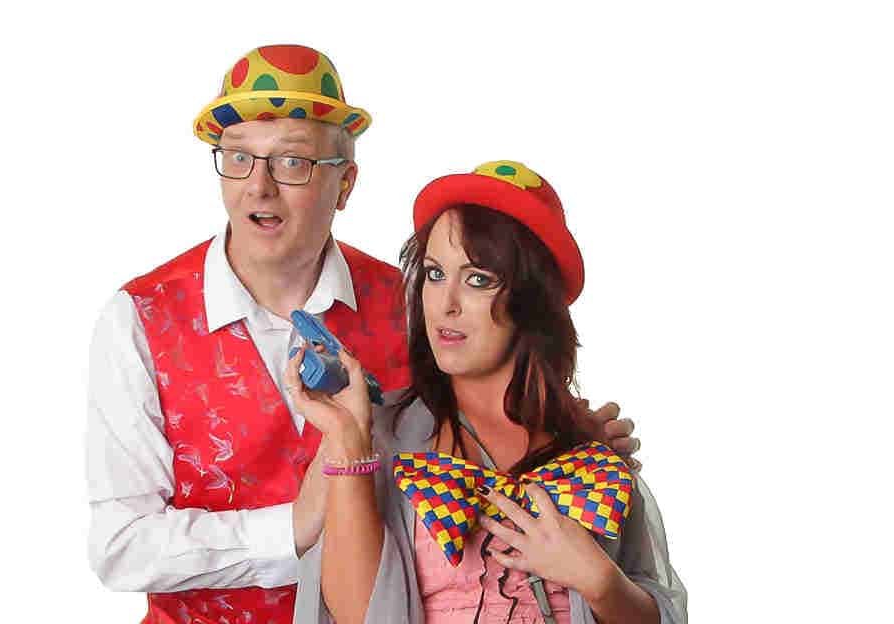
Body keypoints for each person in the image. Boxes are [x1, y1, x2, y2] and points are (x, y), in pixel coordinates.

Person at [86, 45, 639, 624]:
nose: (260, 187)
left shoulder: (416, 306)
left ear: (345, 184)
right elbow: (120, 548)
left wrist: (559, 440)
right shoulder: (139, 320)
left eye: (292, 162)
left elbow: (475, 444)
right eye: (238, 158)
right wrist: (296, 526)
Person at [289, 161, 686, 624]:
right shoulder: (383, 436)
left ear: (531, 301)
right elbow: (358, 616)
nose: (446, 303)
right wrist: (349, 442)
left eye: (477, 279)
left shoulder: (592, 457)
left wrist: (598, 580)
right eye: (435, 274)